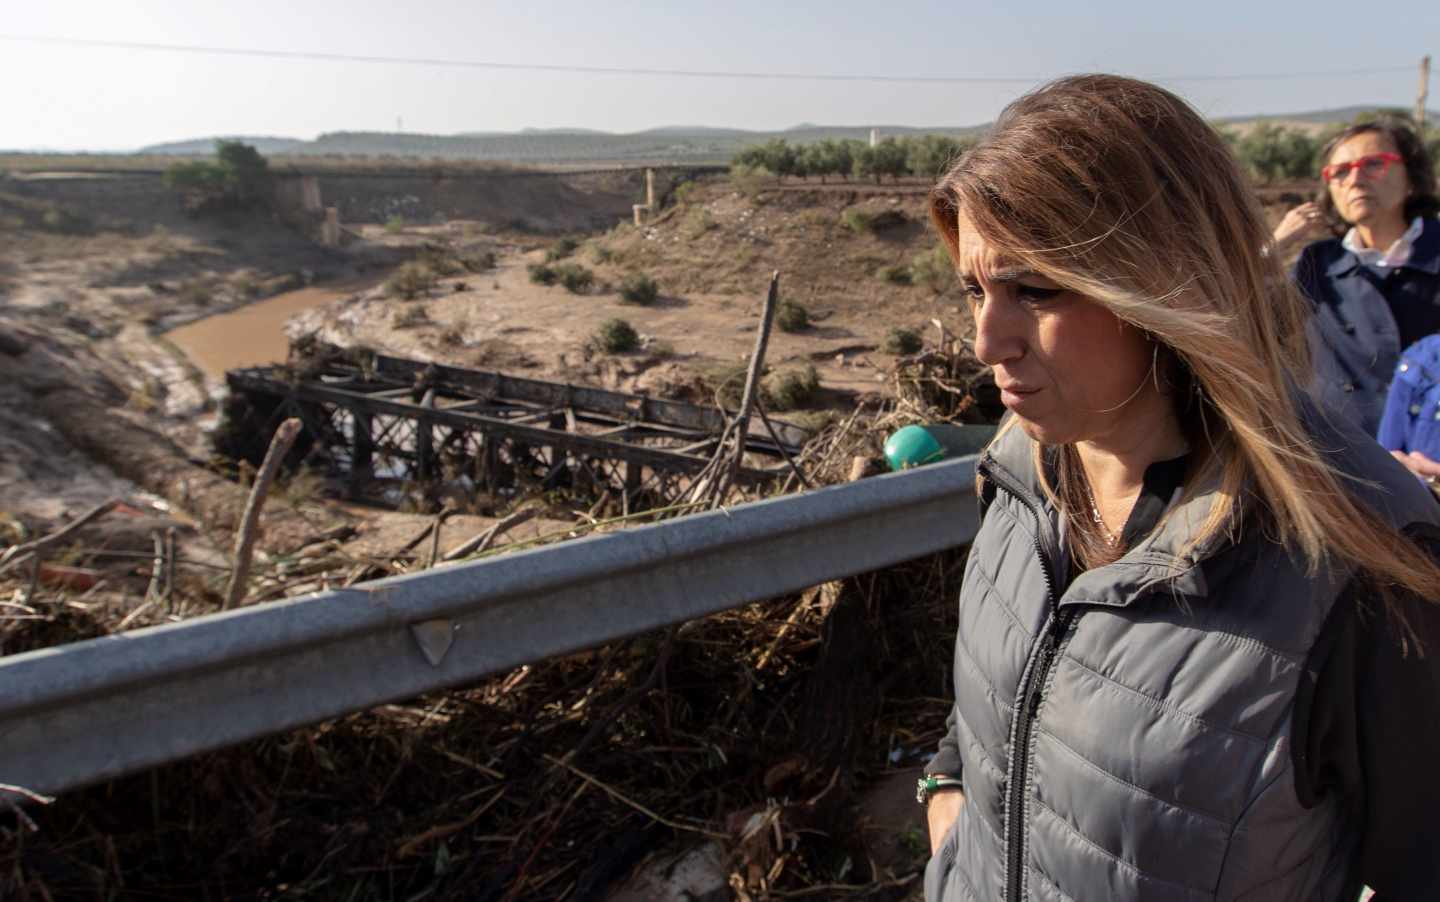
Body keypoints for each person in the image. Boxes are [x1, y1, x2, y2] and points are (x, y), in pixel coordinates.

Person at [920, 75, 1440, 902]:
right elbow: (1011, 685)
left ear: (1164, 280)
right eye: (974, 289)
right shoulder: (1020, 473)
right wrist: (946, 800)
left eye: (1033, 288)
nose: (988, 340)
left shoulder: (1359, 565)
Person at [1278, 116, 1440, 482]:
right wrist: (1274, 246)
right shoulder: (1317, 265)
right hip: (1346, 476)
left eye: (1373, 164)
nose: (1354, 179)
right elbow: (1237, 318)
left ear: (1412, 178)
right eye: (1340, 171)